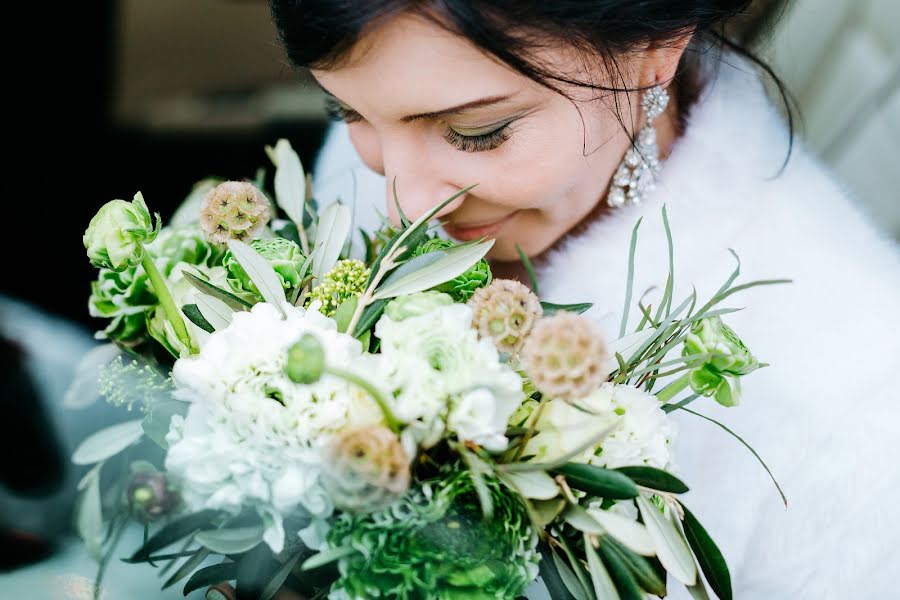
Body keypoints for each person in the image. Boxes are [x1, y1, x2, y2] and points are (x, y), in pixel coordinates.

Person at [208, 1, 900, 598]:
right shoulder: (388, 145)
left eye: (476, 133)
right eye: (347, 109)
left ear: (654, 51)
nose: (402, 204)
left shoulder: (851, 408)